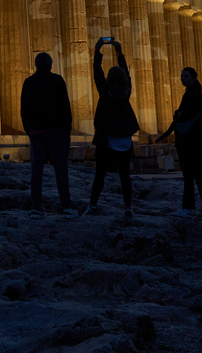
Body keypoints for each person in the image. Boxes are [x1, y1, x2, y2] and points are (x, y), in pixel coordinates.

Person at [155, 67, 202, 222]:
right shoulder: (192, 92)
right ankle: (194, 209)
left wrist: (179, 114)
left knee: (195, 174)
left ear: (193, 78)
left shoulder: (194, 94)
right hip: (191, 140)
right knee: (191, 175)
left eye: (186, 76)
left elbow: (186, 114)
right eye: (181, 76)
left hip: (191, 140)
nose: (182, 78)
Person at [86, 38, 140, 218]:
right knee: (125, 176)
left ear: (110, 79)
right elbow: (126, 73)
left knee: (100, 174)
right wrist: (119, 52)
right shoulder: (126, 92)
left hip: (107, 139)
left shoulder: (105, 92)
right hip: (125, 140)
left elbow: (97, 73)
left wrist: (97, 51)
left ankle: (93, 204)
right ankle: (127, 207)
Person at [20, 52, 76, 218]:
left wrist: (28, 130)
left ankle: (36, 208)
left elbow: (23, 110)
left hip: (37, 132)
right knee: (61, 170)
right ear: (50, 65)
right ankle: (66, 207)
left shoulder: (28, 82)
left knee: (36, 171)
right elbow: (65, 107)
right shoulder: (57, 80)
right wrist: (67, 130)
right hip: (57, 132)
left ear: (36, 65)